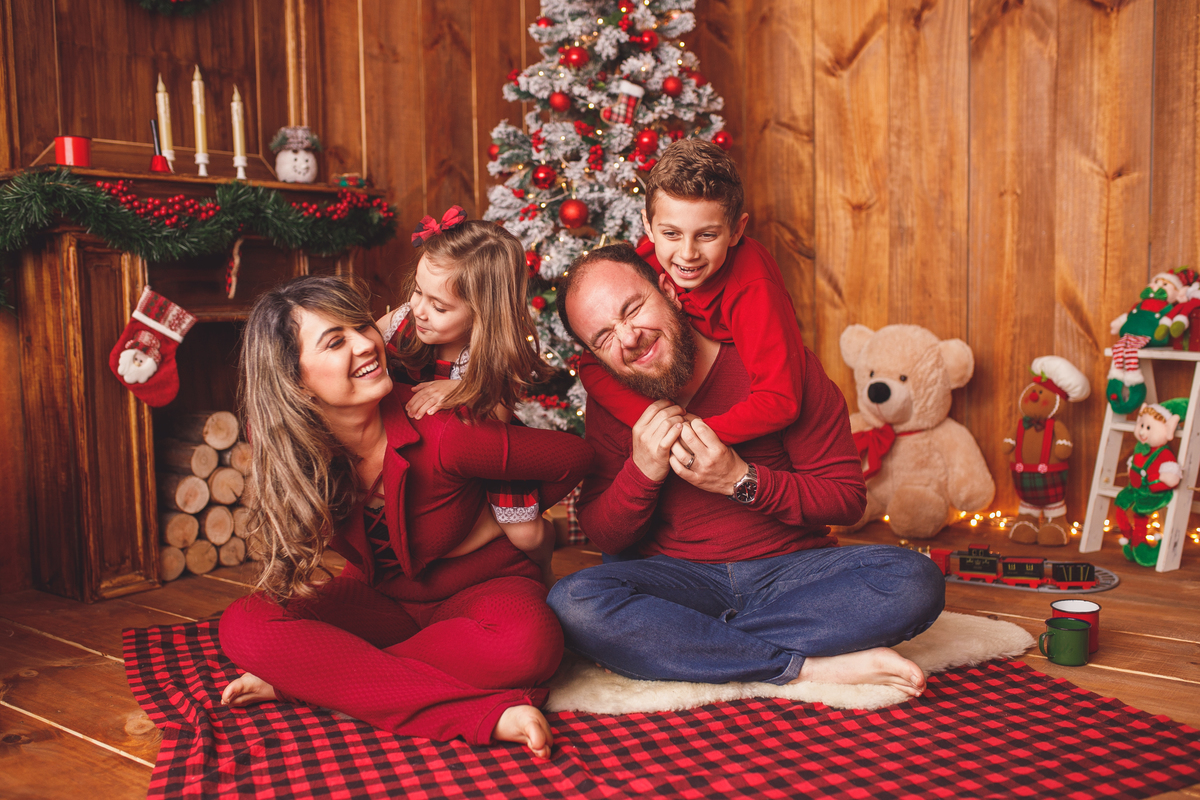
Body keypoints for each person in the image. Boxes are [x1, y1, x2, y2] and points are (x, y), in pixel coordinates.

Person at [217, 274, 593, 759]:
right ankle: (445, 699)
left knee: (529, 647)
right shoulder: (290, 447)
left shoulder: (445, 430)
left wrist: (498, 517)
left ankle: (321, 683)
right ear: (294, 384)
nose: (365, 343)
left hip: (483, 594)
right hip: (383, 603)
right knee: (244, 623)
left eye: (360, 326)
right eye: (335, 341)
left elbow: (573, 458)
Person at [549, 244, 945, 695]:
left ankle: (683, 644)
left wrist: (740, 480)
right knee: (572, 603)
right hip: (681, 580)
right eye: (603, 337)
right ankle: (805, 667)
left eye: (633, 309)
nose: (628, 337)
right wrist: (643, 470)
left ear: (668, 290)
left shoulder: (777, 368)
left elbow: (846, 499)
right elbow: (605, 536)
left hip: (792, 574)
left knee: (913, 580)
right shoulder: (611, 404)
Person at [575, 137, 806, 445]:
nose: (687, 254)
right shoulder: (643, 268)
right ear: (648, 226)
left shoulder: (752, 287)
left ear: (736, 230)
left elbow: (781, 400)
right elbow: (592, 363)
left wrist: (694, 435)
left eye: (706, 235)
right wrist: (660, 423)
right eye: (671, 233)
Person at [379, 207, 558, 580]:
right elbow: (363, 344)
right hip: (426, 451)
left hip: (484, 449)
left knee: (524, 534)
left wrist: (462, 388)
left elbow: (497, 422)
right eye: (418, 291)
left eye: (439, 306)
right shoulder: (404, 321)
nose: (419, 310)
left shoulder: (493, 353)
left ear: (483, 313)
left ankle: (543, 567)